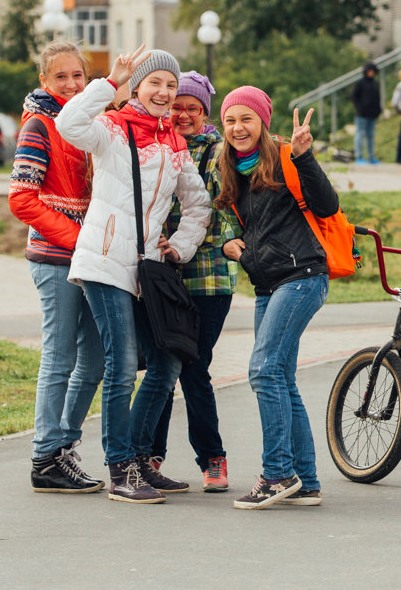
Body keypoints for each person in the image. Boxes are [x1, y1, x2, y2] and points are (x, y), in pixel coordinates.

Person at [56, 46, 212, 504]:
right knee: (122, 365)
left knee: (166, 362)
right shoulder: (111, 127)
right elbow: (68, 124)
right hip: (104, 261)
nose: (164, 92)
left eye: (170, 84)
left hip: (148, 268)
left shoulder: (174, 144)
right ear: (138, 88)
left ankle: (141, 459)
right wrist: (109, 82)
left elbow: (199, 204)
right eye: (155, 83)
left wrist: (179, 246)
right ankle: (120, 468)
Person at [217, 87, 336, 509]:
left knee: (263, 371)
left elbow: (326, 205)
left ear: (263, 122)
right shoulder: (232, 169)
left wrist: (305, 156)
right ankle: (305, 480)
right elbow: (241, 225)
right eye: (231, 120)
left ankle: (277, 474)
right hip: (267, 285)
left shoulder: (285, 157)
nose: (238, 128)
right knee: (281, 377)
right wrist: (234, 245)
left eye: (247, 119)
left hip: (302, 276)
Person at [8, 41, 105, 494]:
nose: (70, 84)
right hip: (54, 257)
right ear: (44, 81)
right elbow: (22, 198)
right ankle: (45, 456)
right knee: (61, 354)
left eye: (77, 76)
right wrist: (76, 238)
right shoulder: (38, 125)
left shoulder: (91, 122)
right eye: (60, 77)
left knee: (97, 357)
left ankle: (61, 445)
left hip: (90, 258)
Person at [148, 71, 238, 492]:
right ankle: (150, 455)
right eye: (176, 105)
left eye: (192, 108)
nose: (182, 114)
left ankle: (212, 458)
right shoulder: (157, 144)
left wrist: (182, 240)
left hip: (208, 278)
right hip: (163, 276)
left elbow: (222, 210)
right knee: (161, 365)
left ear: (204, 112)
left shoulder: (219, 152)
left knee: (192, 365)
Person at [350, 61, 382, 164]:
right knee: (360, 134)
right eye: (369, 71)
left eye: (373, 71)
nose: (371, 73)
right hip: (361, 114)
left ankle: (371, 157)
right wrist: (359, 108)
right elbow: (353, 97)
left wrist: (378, 110)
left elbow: (377, 98)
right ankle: (359, 157)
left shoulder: (375, 83)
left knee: (371, 136)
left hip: (372, 114)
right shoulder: (360, 83)